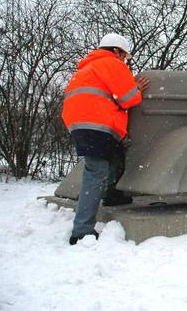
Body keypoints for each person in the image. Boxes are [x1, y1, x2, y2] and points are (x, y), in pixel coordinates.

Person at [62, 33, 149, 245]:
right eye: (124, 56)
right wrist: (136, 88)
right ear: (117, 51)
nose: (124, 60)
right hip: (97, 123)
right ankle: (81, 231)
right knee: (96, 171)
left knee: (117, 156)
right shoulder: (112, 64)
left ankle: (113, 194)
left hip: (79, 123)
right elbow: (128, 99)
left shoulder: (86, 69)